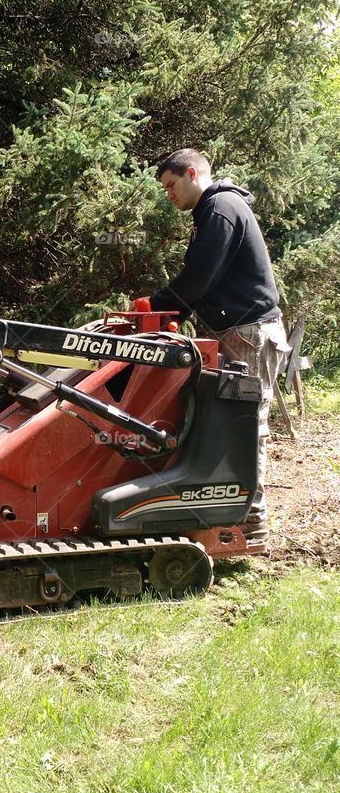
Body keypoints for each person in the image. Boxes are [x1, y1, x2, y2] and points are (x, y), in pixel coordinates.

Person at [146, 146, 289, 544]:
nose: (168, 195)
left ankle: (250, 519)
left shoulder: (220, 207)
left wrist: (154, 307)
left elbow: (199, 278)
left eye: (171, 185)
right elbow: (205, 281)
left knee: (246, 424)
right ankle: (220, 506)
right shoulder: (214, 210)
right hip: (238, 330)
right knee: (225, 420)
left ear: (192, 174)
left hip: (250, 333)